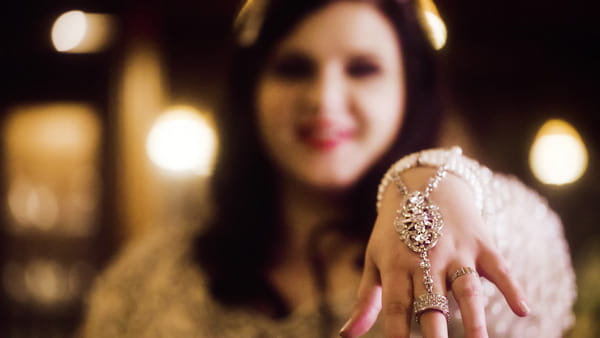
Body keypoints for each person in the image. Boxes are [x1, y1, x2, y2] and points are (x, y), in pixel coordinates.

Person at [81, 0, 576, 337]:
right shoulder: (147, 280)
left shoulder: (487, 242)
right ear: (250, 90)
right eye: (293, 67)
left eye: (362, 68)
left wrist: (433, 183)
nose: (323, 99)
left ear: (410, 91)